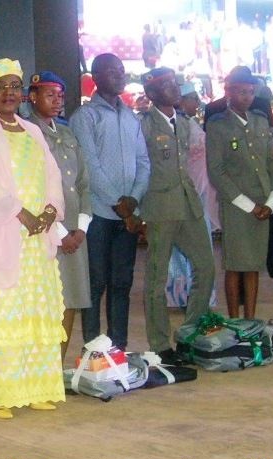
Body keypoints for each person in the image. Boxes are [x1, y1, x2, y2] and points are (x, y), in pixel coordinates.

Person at [0, 59, 65, 418]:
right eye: (1, 87)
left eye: (14, 87)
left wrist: (50, 213)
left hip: (35, 238)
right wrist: (21, 213)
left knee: (35, 309)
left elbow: (52, 174)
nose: (9, 93)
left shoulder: (33, 131)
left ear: (22, 93)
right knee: (0, 312)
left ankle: (35, 387)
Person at [69, 53, 151, 351]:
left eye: (122, 70)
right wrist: (120, 204)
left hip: (127, 214)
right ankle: (93, 347)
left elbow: (143, 162)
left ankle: (119, 347)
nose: (121, 75)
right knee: (96, 283)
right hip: (100, 214)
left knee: (122, 284)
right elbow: (89, 166)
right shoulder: (85, 117)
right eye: (112, 71)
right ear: (96, 76)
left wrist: (134, 199)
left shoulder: (131, 116)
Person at [138, 68, 215, 364]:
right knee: (156, 278)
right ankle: (159, 343)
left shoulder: (184, 123)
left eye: (174, 83)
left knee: (206, 267)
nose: (174, 88)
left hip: (189, 205)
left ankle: (190, 331)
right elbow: (140, 166)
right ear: (153, 94)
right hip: (159, 208)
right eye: (166, 85)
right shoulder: (144, 125)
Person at [204, 66, 273, 303]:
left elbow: (269, 157)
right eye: (241, 91)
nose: (247, 96)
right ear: (228, 90)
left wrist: (271, 202)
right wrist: (247, 204)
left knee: (260, 256)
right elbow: (217, 168)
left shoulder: (260, 112)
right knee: (235, 262)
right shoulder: (215, 116)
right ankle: (237, 312)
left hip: (263, 196)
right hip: (237, 201)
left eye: (250, 91)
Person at [25, 71, 91, 361]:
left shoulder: (66, 133)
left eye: (60, 95)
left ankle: (57, 365)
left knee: (72, 299)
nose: (56, 101)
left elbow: (83, 184)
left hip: (75, 230)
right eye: (49, 94)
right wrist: (62, 233)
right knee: (47, 301)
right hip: (48, 231)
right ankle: (42, 367)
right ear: (33, 96)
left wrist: (81, 229)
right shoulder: (26, 133)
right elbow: (31, 188)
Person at [165, 83, 220, 310]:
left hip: (198, 194)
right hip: (183, 195)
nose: (197, 104)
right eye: (193, 99)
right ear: (181, 100)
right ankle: (184, 295)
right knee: (184, 249)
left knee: (198, 248)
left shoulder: (190, 123)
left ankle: (195, 295)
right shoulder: (177, 125)